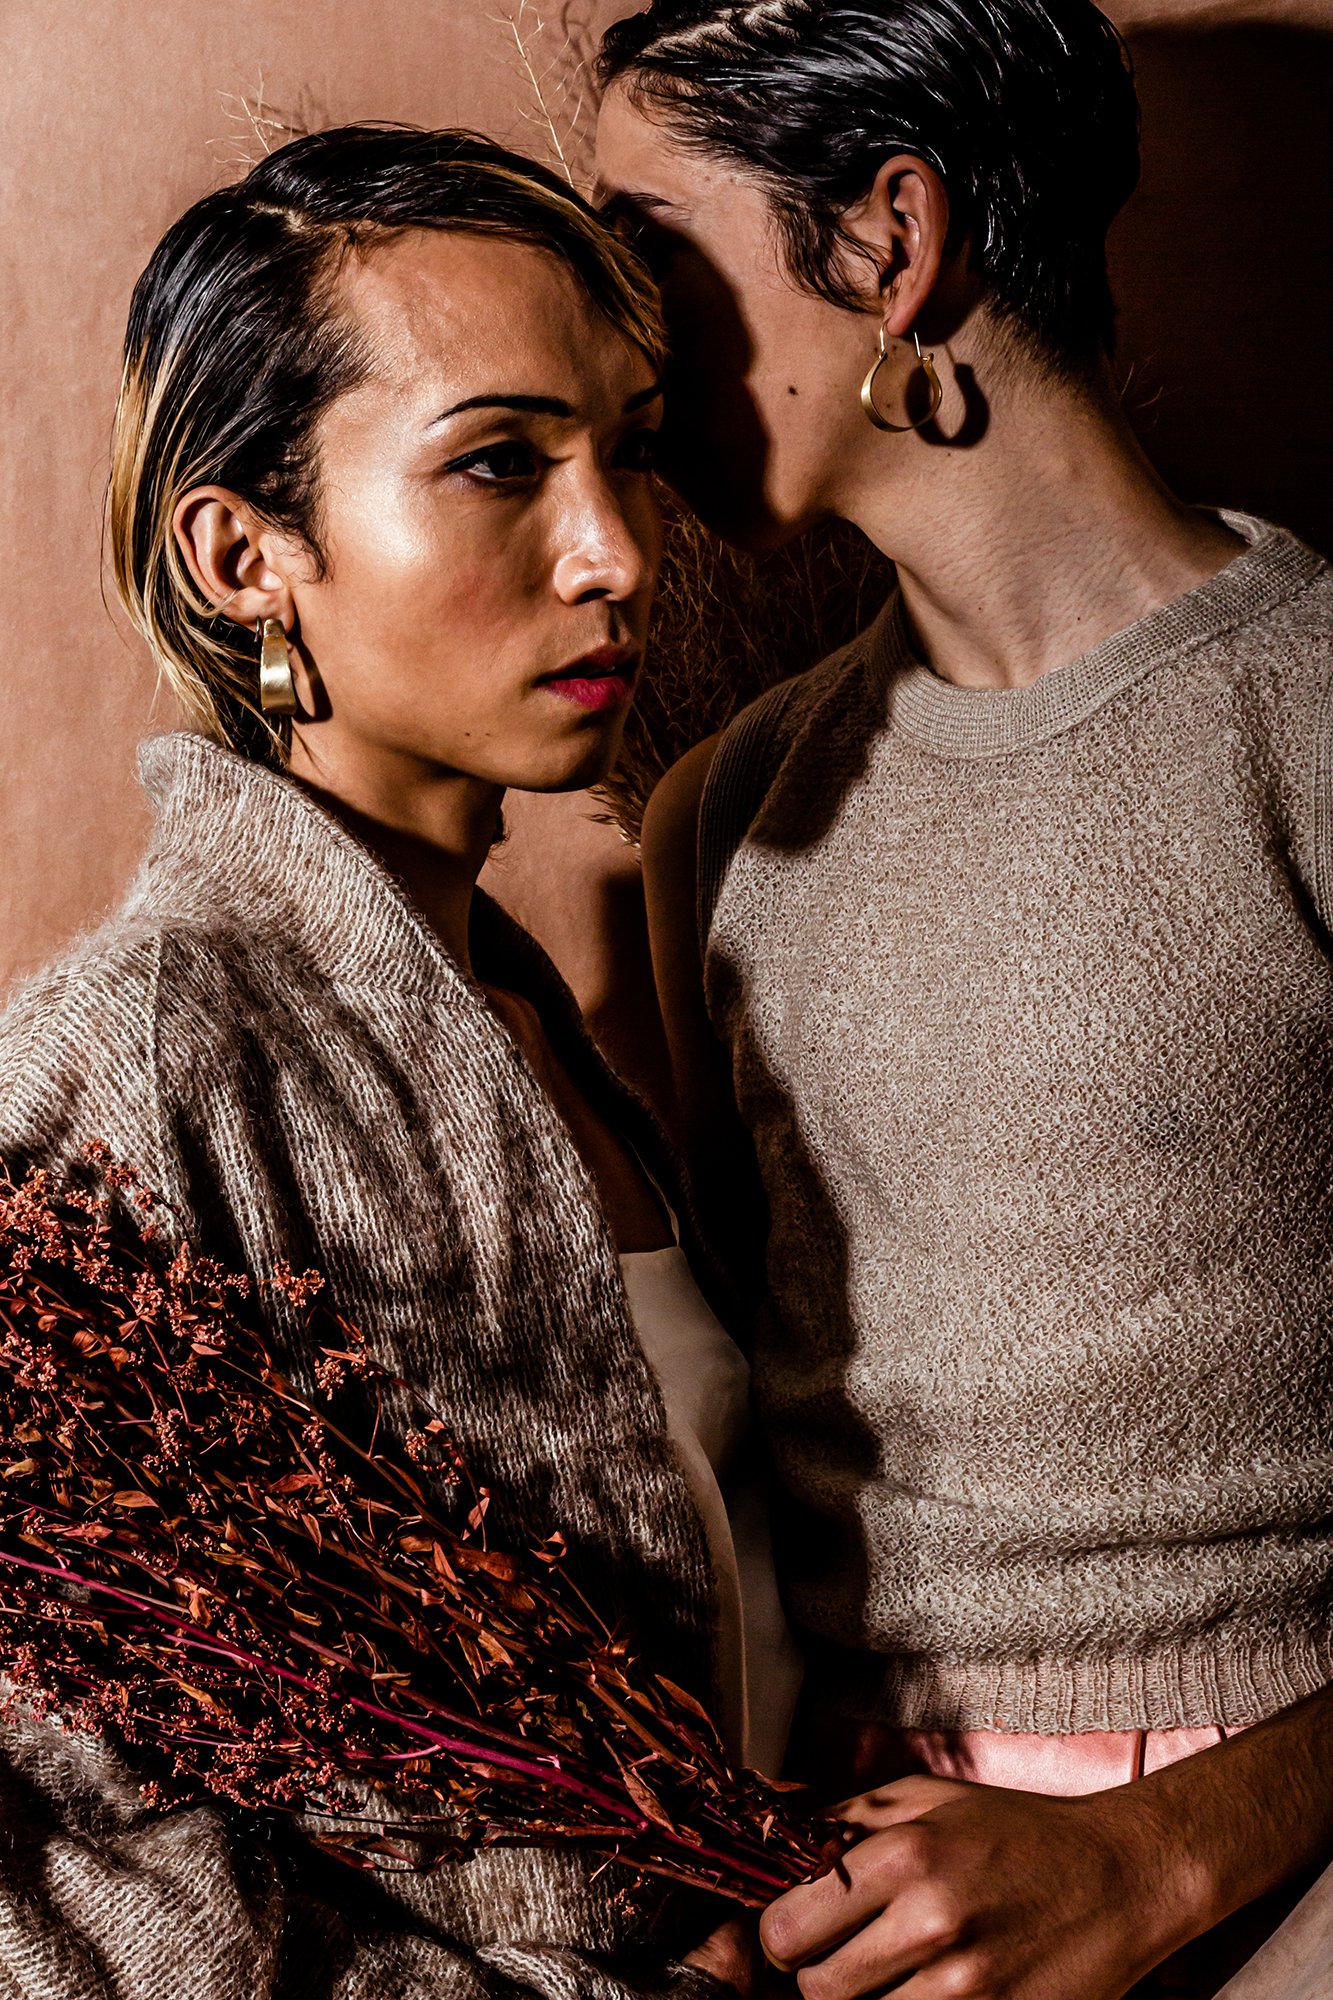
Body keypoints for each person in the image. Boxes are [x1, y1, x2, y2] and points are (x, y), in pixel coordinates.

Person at [0, 122, 799, 2000]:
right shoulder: (123, 1080)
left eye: (629, 452)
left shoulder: (542, 1028)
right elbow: (47, 1900)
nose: (613, 551)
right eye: (499, 464)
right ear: (243, 549)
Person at [595, 1, 1333, 1994]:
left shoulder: (1312, 720)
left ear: (888, 240)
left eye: (651, 259)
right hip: (860, 1894)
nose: (614, 351)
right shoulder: (722, 818)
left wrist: (1171, 1851)